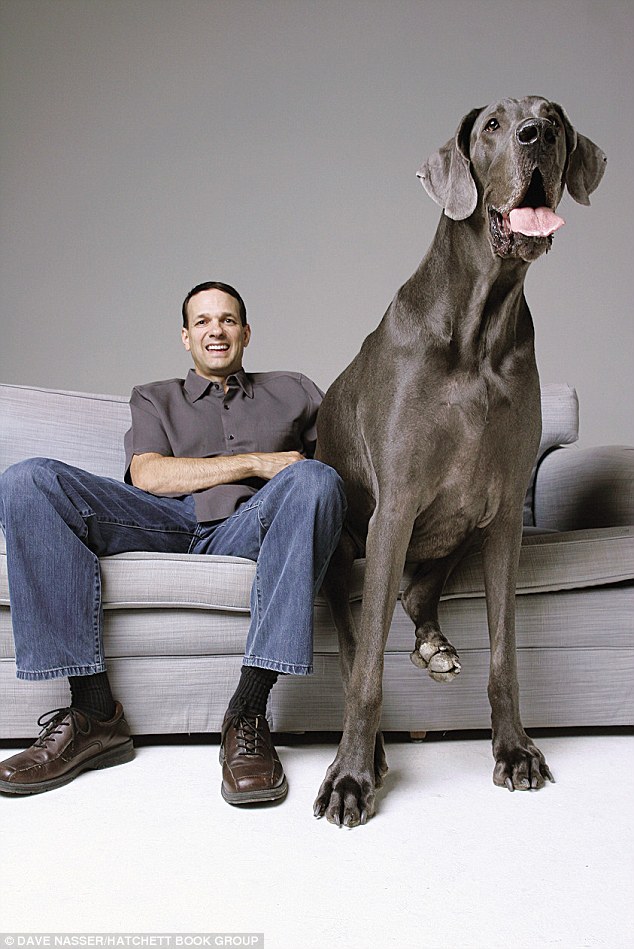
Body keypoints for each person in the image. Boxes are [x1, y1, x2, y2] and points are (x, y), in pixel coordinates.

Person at [0, 281, 345, 804]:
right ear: (186, 337)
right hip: (162, 519)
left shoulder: (295, 390)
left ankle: (248, 709)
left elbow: (331, 474)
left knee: (317, 481)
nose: (216, 330)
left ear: (246, 332)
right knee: (28, 481)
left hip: (249, 523)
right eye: (203, 322)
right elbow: (150, 476)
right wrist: (256, 462)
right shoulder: (155, 396)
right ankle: (93, 712)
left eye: (227, 320)